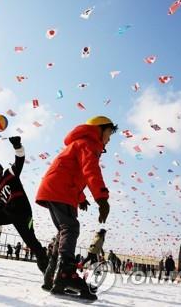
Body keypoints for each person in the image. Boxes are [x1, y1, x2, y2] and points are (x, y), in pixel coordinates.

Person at [36, 116, 117, 300]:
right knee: (70, 227)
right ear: (100, 129)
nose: (109, 139)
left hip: (59, 188)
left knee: (63, 231)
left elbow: (73, 173)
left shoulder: (80, 143)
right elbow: (91, 170)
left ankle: (52, 278)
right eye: (109, 133)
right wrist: (102, 198)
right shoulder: (89, 143)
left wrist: (81, 197)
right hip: (60, 190)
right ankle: (66, 274)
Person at [0, 136, 48, 273]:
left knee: (31, 242)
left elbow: (20, 161)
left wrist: (18, 147)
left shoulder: (9, 174)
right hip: (8, 214)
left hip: (23, 213)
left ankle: (48, 269)